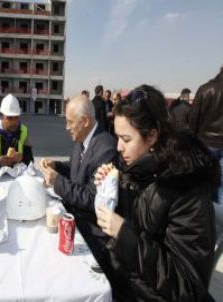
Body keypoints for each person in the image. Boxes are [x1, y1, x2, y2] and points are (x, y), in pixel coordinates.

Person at [94, 85, 218, 301]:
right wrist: (108, 187)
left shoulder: (185, 188)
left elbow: (186, 285)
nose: (118, 148)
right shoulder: (137, 169)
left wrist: (123, 234)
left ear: (152, 136)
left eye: (126, 139)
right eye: (117, 137)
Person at [39, 94, 117, 244]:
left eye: (70, 122)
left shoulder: (106, 149)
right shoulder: (83, 137)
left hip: (90, 233)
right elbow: (75, 169)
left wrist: (57, 182)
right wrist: (56, 166)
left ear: (85, 121)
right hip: (73, 216)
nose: (67, 127)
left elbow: (92, 198)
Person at [190, 66, 223, 204]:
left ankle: (208, 219)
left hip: (206, 144)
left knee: (204, 186)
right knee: (221, 189)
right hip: (211, 144)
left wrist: (192, 143)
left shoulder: (205, 89)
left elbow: (193, 119)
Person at [0, 93, 34, 167]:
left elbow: (30, 162)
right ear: (2, 117)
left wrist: (22, 158)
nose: (14, 122)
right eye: (9, 118)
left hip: (19, 177)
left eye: (16, 118)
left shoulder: (24, 132)